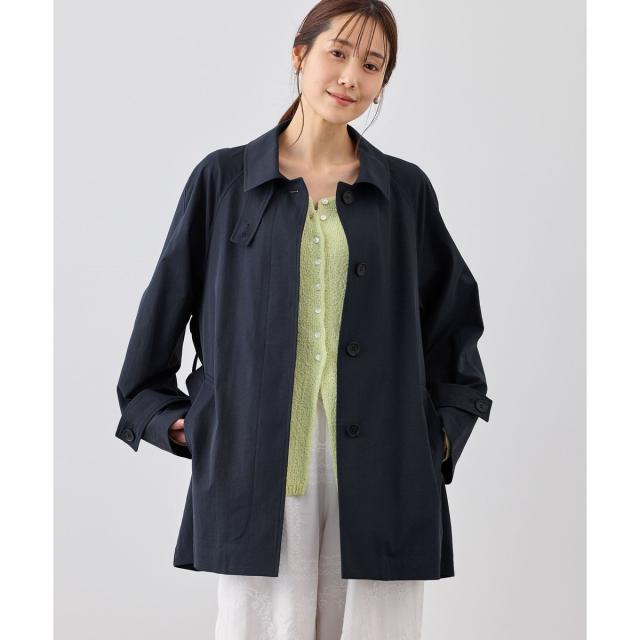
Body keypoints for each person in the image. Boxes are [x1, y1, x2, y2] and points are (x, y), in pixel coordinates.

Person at [115, 1, 492, 638]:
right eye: (337, 53)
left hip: (386, 470)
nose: (351, 77)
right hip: (257, 470)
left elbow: (455, 324)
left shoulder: (404, 191)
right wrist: (181, 422)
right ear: (300, 54)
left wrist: (441, 437)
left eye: (372, 65)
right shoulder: (225, 180)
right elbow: (159, 319)